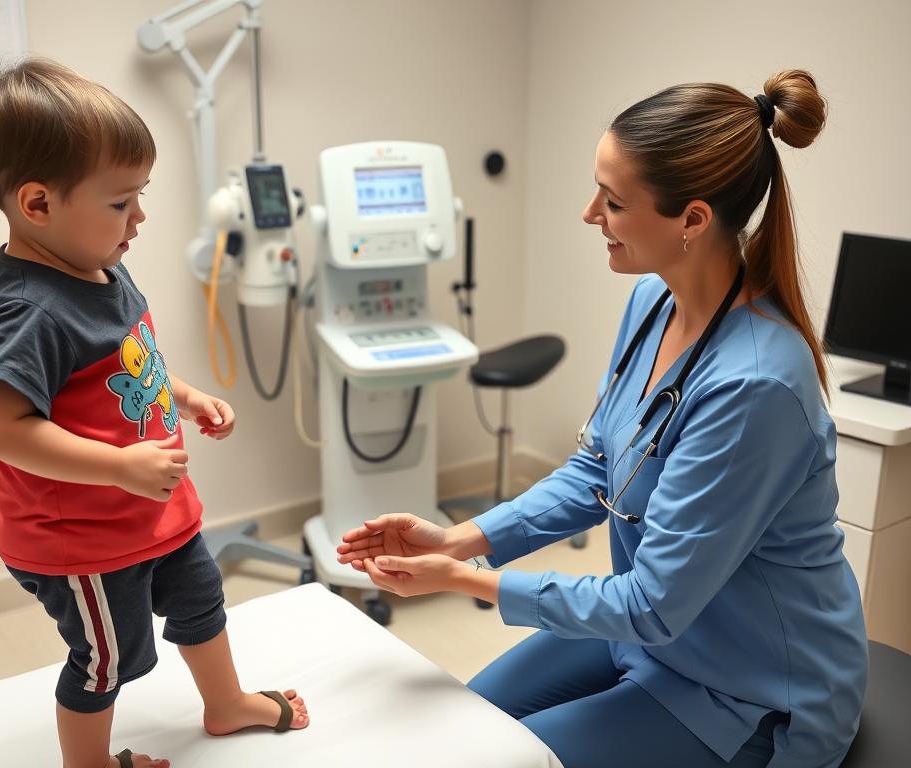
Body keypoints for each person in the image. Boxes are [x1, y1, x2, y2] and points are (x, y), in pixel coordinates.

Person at [337, 70, 867, 768]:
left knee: (494, 761)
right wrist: (460, 539)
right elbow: (600, 470)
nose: (590, 215)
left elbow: (651, 602)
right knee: (461, 727)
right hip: (648, 638)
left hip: (746, 690)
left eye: (613, 203)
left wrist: (462, 581)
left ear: (693, 220)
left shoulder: (756, 386)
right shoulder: (653, 301)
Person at [0, 59, 308, 768]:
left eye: (140, 196)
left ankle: (224, 705)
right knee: (109, 659)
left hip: (153, 513)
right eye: (122, 201)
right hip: (82, 543)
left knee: (201, 603)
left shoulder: (100, 264)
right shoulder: (26, 312)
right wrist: (121, 465)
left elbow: (130, 363)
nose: (141, 218)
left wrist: (183, 397)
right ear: (38, 205)